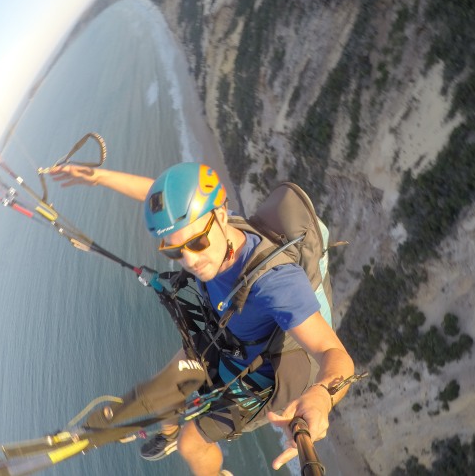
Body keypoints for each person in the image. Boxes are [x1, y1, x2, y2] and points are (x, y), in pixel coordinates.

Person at [50, 161, 355, 476]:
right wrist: (100, 176)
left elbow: (335, 354)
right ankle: (169, 430)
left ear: (221, 216)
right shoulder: (214, 225)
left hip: (267, 371)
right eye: (174, 251)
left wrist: (322, 396)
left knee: (191, 443)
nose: (190, 260)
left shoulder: (276, 282)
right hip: (230, 338)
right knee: (166, 386)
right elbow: (160, 198)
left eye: (197, 243)